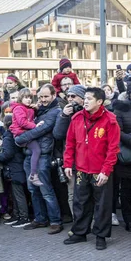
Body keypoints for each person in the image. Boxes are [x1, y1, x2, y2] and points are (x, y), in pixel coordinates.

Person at [63, 88, 120, 250]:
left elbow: (113, 149)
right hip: (81, 169)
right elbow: (70, 143)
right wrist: (68, 164)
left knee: (102, 205)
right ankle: (80, 232)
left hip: (100, 171)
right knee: (80, 202)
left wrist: (106, 170)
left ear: (100, 102)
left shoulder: (110, 120)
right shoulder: (77, 118)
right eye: (85, 98)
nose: (85, 101)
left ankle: (101, 235)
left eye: (89, 98)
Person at [14, 84, 63, 234]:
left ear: (53, 96)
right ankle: (40, 219)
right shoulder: (38, 109)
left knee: (46, 189)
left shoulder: (56, 111)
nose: (42, 99)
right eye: (40, 96)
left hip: (42, 155)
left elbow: (41, 129)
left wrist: (19, 139)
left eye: (46, 96)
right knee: (33, 189)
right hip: (30, 154)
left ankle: (55, 221)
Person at [53, 84, 86, 217]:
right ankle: (77, 224)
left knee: (87, 195)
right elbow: (58, 134)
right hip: (71, 162)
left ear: (83, 98)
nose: (70, 99)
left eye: (74, 96)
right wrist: (64, 116)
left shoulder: (89, 111)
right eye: (68, 96)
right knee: (72, 194)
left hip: (87, 161)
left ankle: (92, 224)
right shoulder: (64, 112)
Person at [10, 88, 43, 187]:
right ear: (21, 98)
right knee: (36, 150)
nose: (28, 100)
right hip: (21, 134)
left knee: (35, 151)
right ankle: (33, 175)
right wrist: (35, 126)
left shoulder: (28, 108)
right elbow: (22, 122)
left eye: (30, 98)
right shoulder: (19, 108)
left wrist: (35, 109)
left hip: (25, 133)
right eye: (26, 98)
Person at [113, 88, 131, 232]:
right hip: (127, 158)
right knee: (126, 191)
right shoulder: (120, 108)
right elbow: (117, 132)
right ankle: (129, 221)